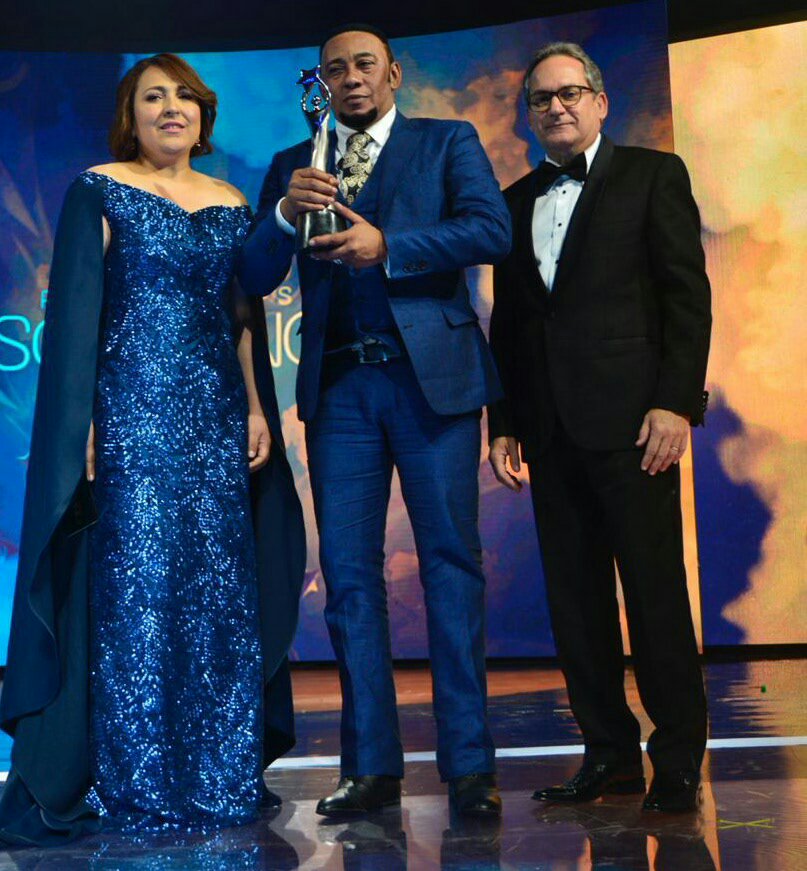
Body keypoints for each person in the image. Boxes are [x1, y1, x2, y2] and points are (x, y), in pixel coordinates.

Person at [0, 53, 305, 845]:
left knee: (216, 594)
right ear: (128, 116)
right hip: (131, 417)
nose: (171, 108)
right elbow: (77, 317)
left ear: (203, 115)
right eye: (152, 97)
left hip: (216, 420)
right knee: (138, 592)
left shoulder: (231, 199)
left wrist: (254, 407)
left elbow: (241, 312)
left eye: (183, 97)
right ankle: (135, 775)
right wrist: (81, 427)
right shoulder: (99, 188)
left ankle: (218, 770)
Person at [240, 24, 510, 817]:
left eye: (364, 64)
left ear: (393, 72)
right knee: (349, 578)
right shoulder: (295, 164)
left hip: (432, 384)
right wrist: (283, 214)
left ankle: (469, 767)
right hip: (340, 388)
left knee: (450, 566)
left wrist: (389, 244)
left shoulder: (445, 141)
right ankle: (369, 768)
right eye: (335, 69)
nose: (351, 77)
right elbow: (252, 271)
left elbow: (490, 230)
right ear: (321, 84)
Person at [488, 42, 711, 813]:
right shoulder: (512, 200)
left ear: (599, 101)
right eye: (541, 98)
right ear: (528, 114)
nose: (556, 106)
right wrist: (503, 420)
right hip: (549, 431)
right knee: (576, 605)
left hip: (634, 427)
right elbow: (511, 323)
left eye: (570, 92)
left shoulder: (653, 175)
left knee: (654, 597)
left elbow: (685, 296)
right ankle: (608, 755)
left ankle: (675, 759)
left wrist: (674, 403)